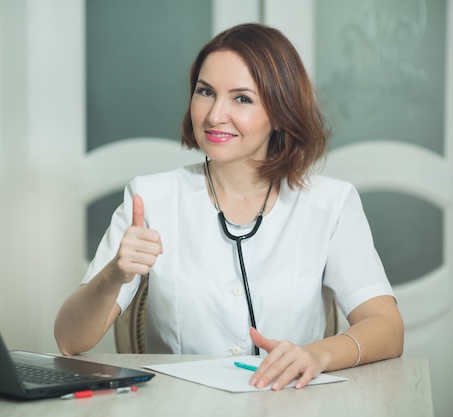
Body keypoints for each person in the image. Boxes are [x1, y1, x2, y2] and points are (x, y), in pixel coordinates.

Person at [54, 23, 403, 390]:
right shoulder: (151, 198)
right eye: (205, 92)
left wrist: (318, 354)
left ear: (282, 111)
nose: (214, 115)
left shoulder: (330, 204)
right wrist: (114, 275)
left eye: (242, 98)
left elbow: (388, 328)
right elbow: (69, 340)